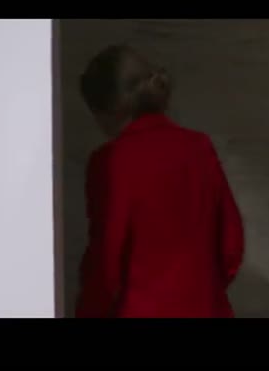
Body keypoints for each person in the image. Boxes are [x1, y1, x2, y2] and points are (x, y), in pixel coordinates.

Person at [75, 45, 244, 318]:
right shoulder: (199, 147)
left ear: (106, 109)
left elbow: (105, 264)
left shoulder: (110, 161)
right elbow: (231, 245)